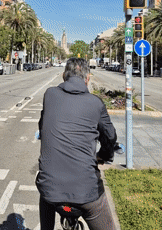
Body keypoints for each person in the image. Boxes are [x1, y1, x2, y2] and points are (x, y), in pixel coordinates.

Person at [36, 57, 117, 230]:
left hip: (51, 189)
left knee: (47, 190)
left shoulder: (49, 94)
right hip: (87, 192)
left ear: (64, 76)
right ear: (87, 78)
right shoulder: (96, 103)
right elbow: (110, 136)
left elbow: (42, 127)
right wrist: (104, 156)